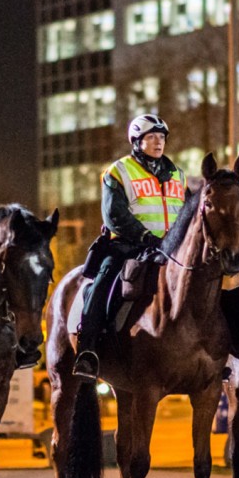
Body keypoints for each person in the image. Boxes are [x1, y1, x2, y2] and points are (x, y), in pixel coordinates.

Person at [72, 114, 187, 381]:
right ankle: (88, 350)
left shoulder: (177, 175)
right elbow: (114, 215)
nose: (158, 142)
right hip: (128, 247)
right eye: (151, 137)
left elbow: (187, 214)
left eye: (161, 137)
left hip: (170, 251)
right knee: (103, 283)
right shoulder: (118, 171)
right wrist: (145, 236)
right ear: (137, 142)